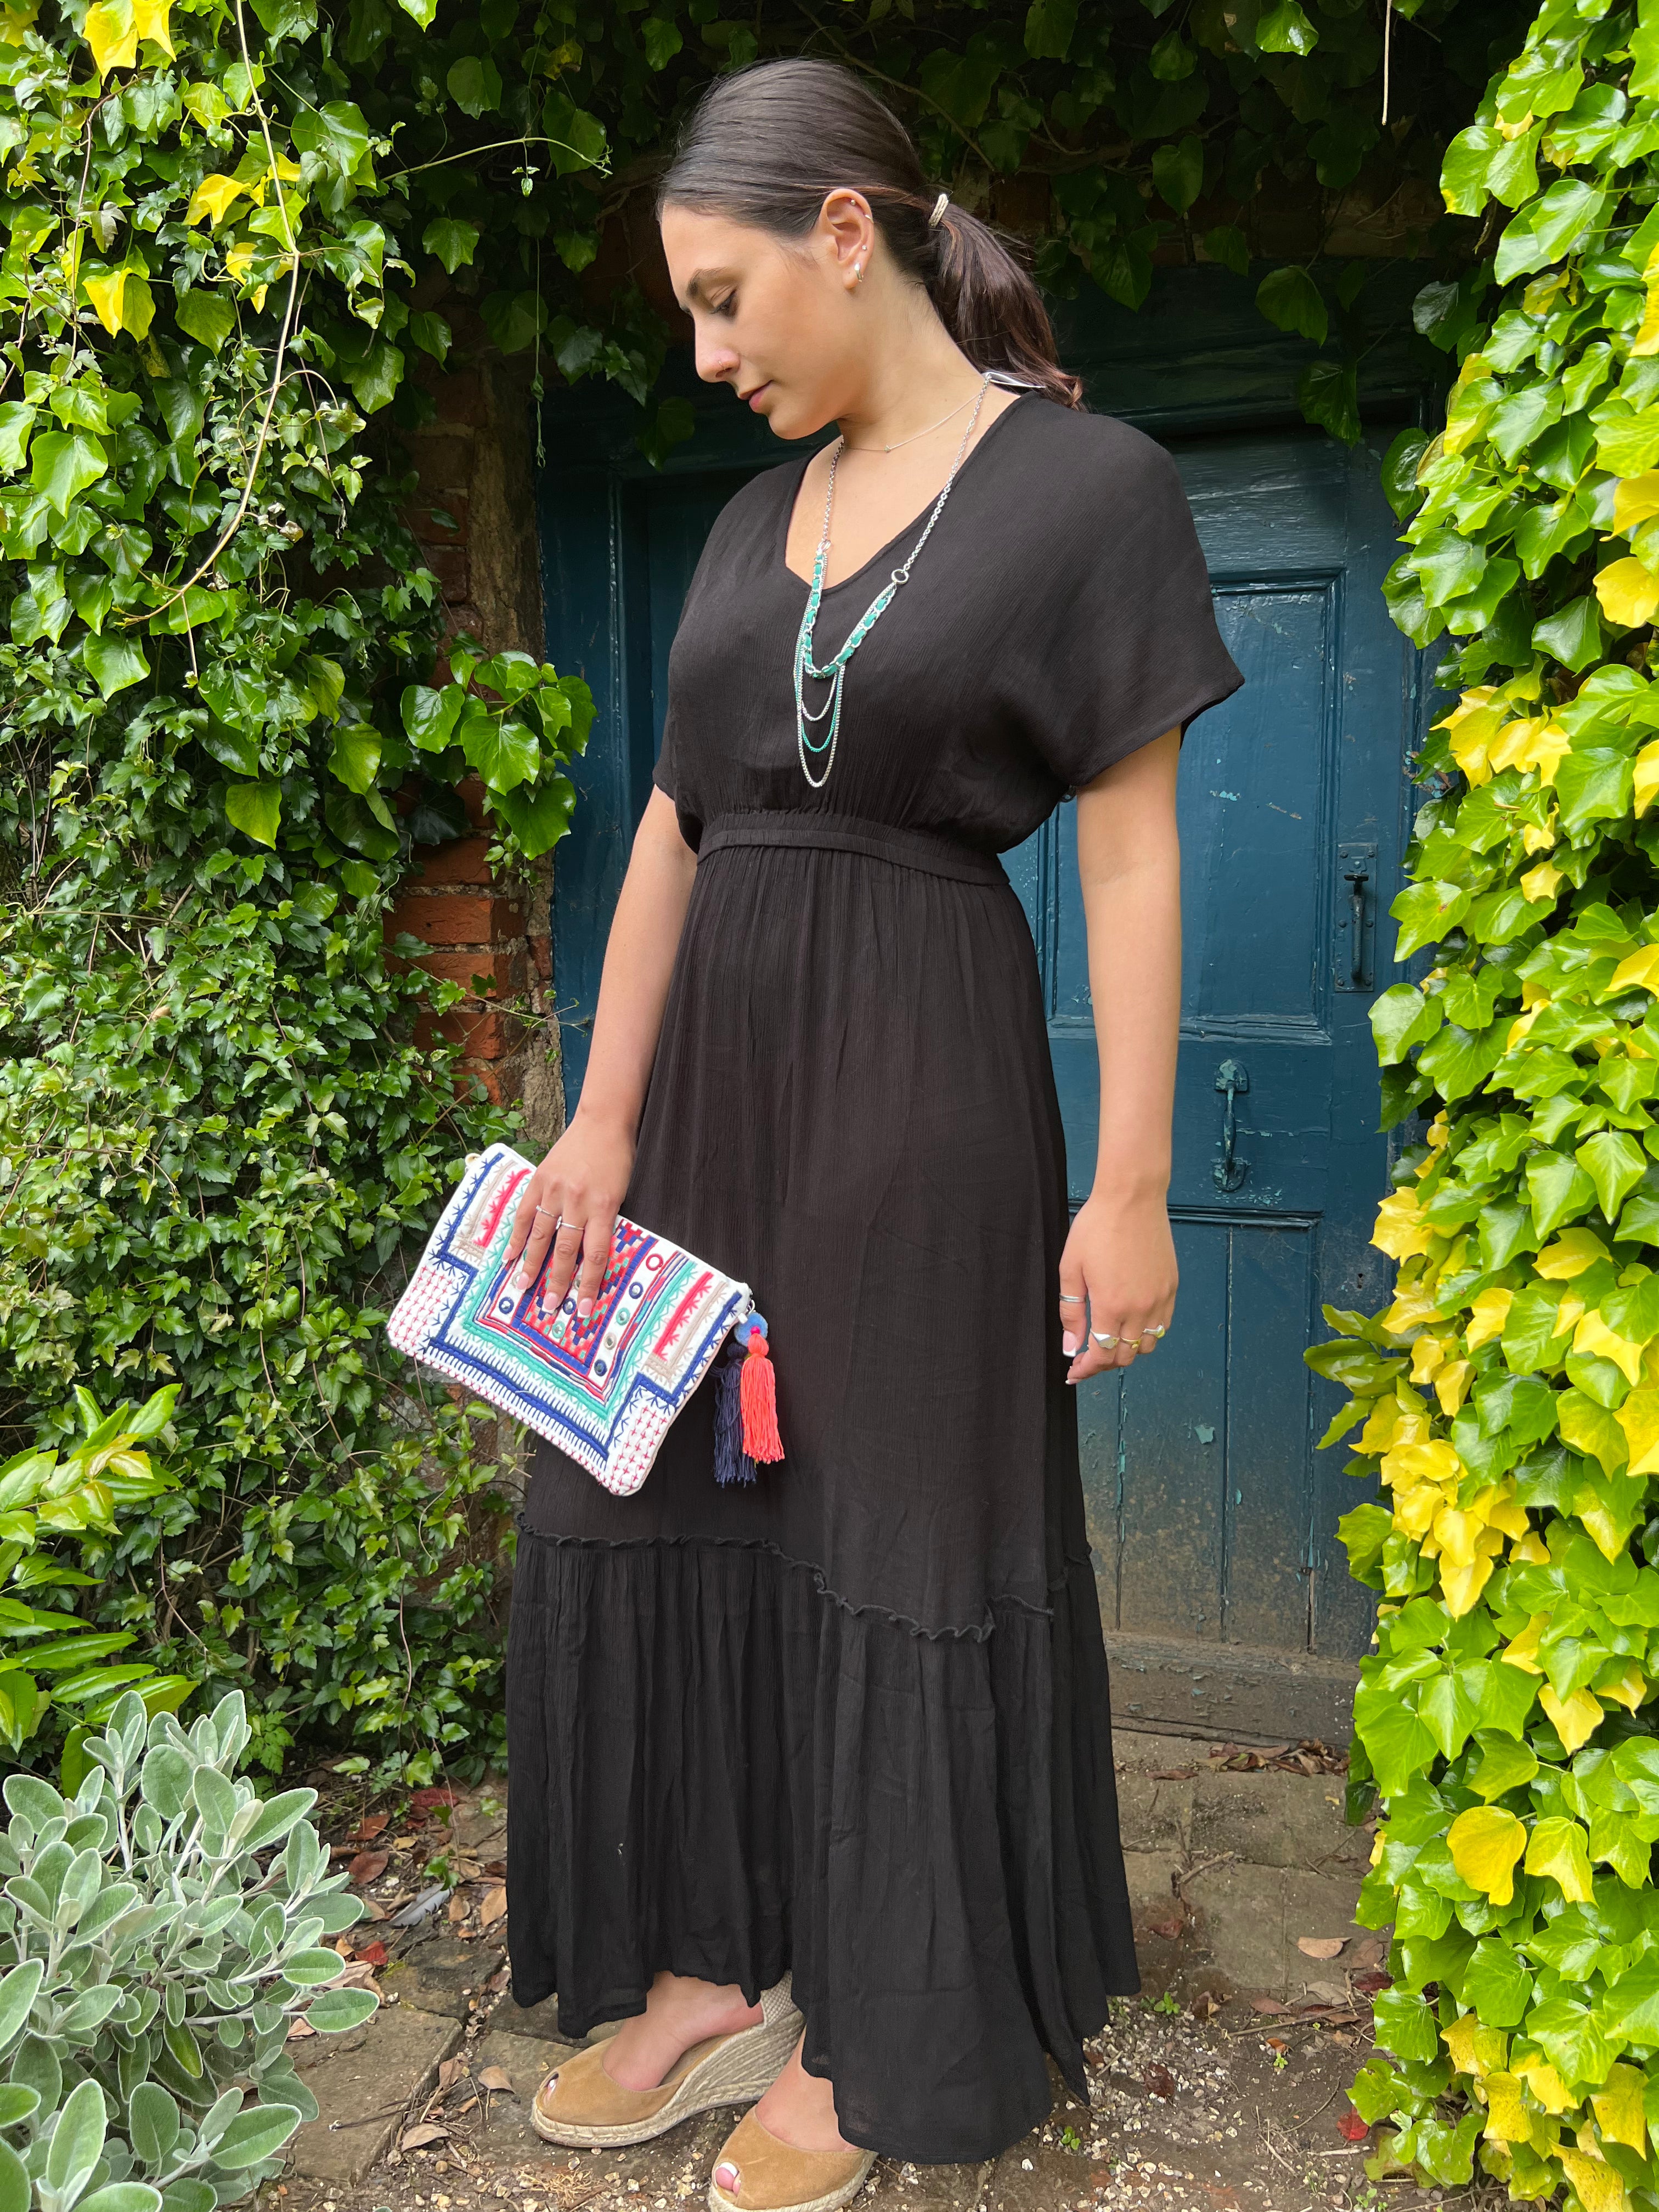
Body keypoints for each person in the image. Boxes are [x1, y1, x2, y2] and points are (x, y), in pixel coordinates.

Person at [500, 54, 1243, 2212]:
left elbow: (1128, 855)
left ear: (848, 230)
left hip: (926, 1090)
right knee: (659, 1494)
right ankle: (725, 1961)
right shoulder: (749, 523)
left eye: (727, 301)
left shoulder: (1091, 494)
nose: (711, 357)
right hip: (713, 1090)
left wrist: (1126, 1181)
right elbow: (669, 826)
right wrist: (600, 1119)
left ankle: (890, 2017)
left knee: (899, 1536)